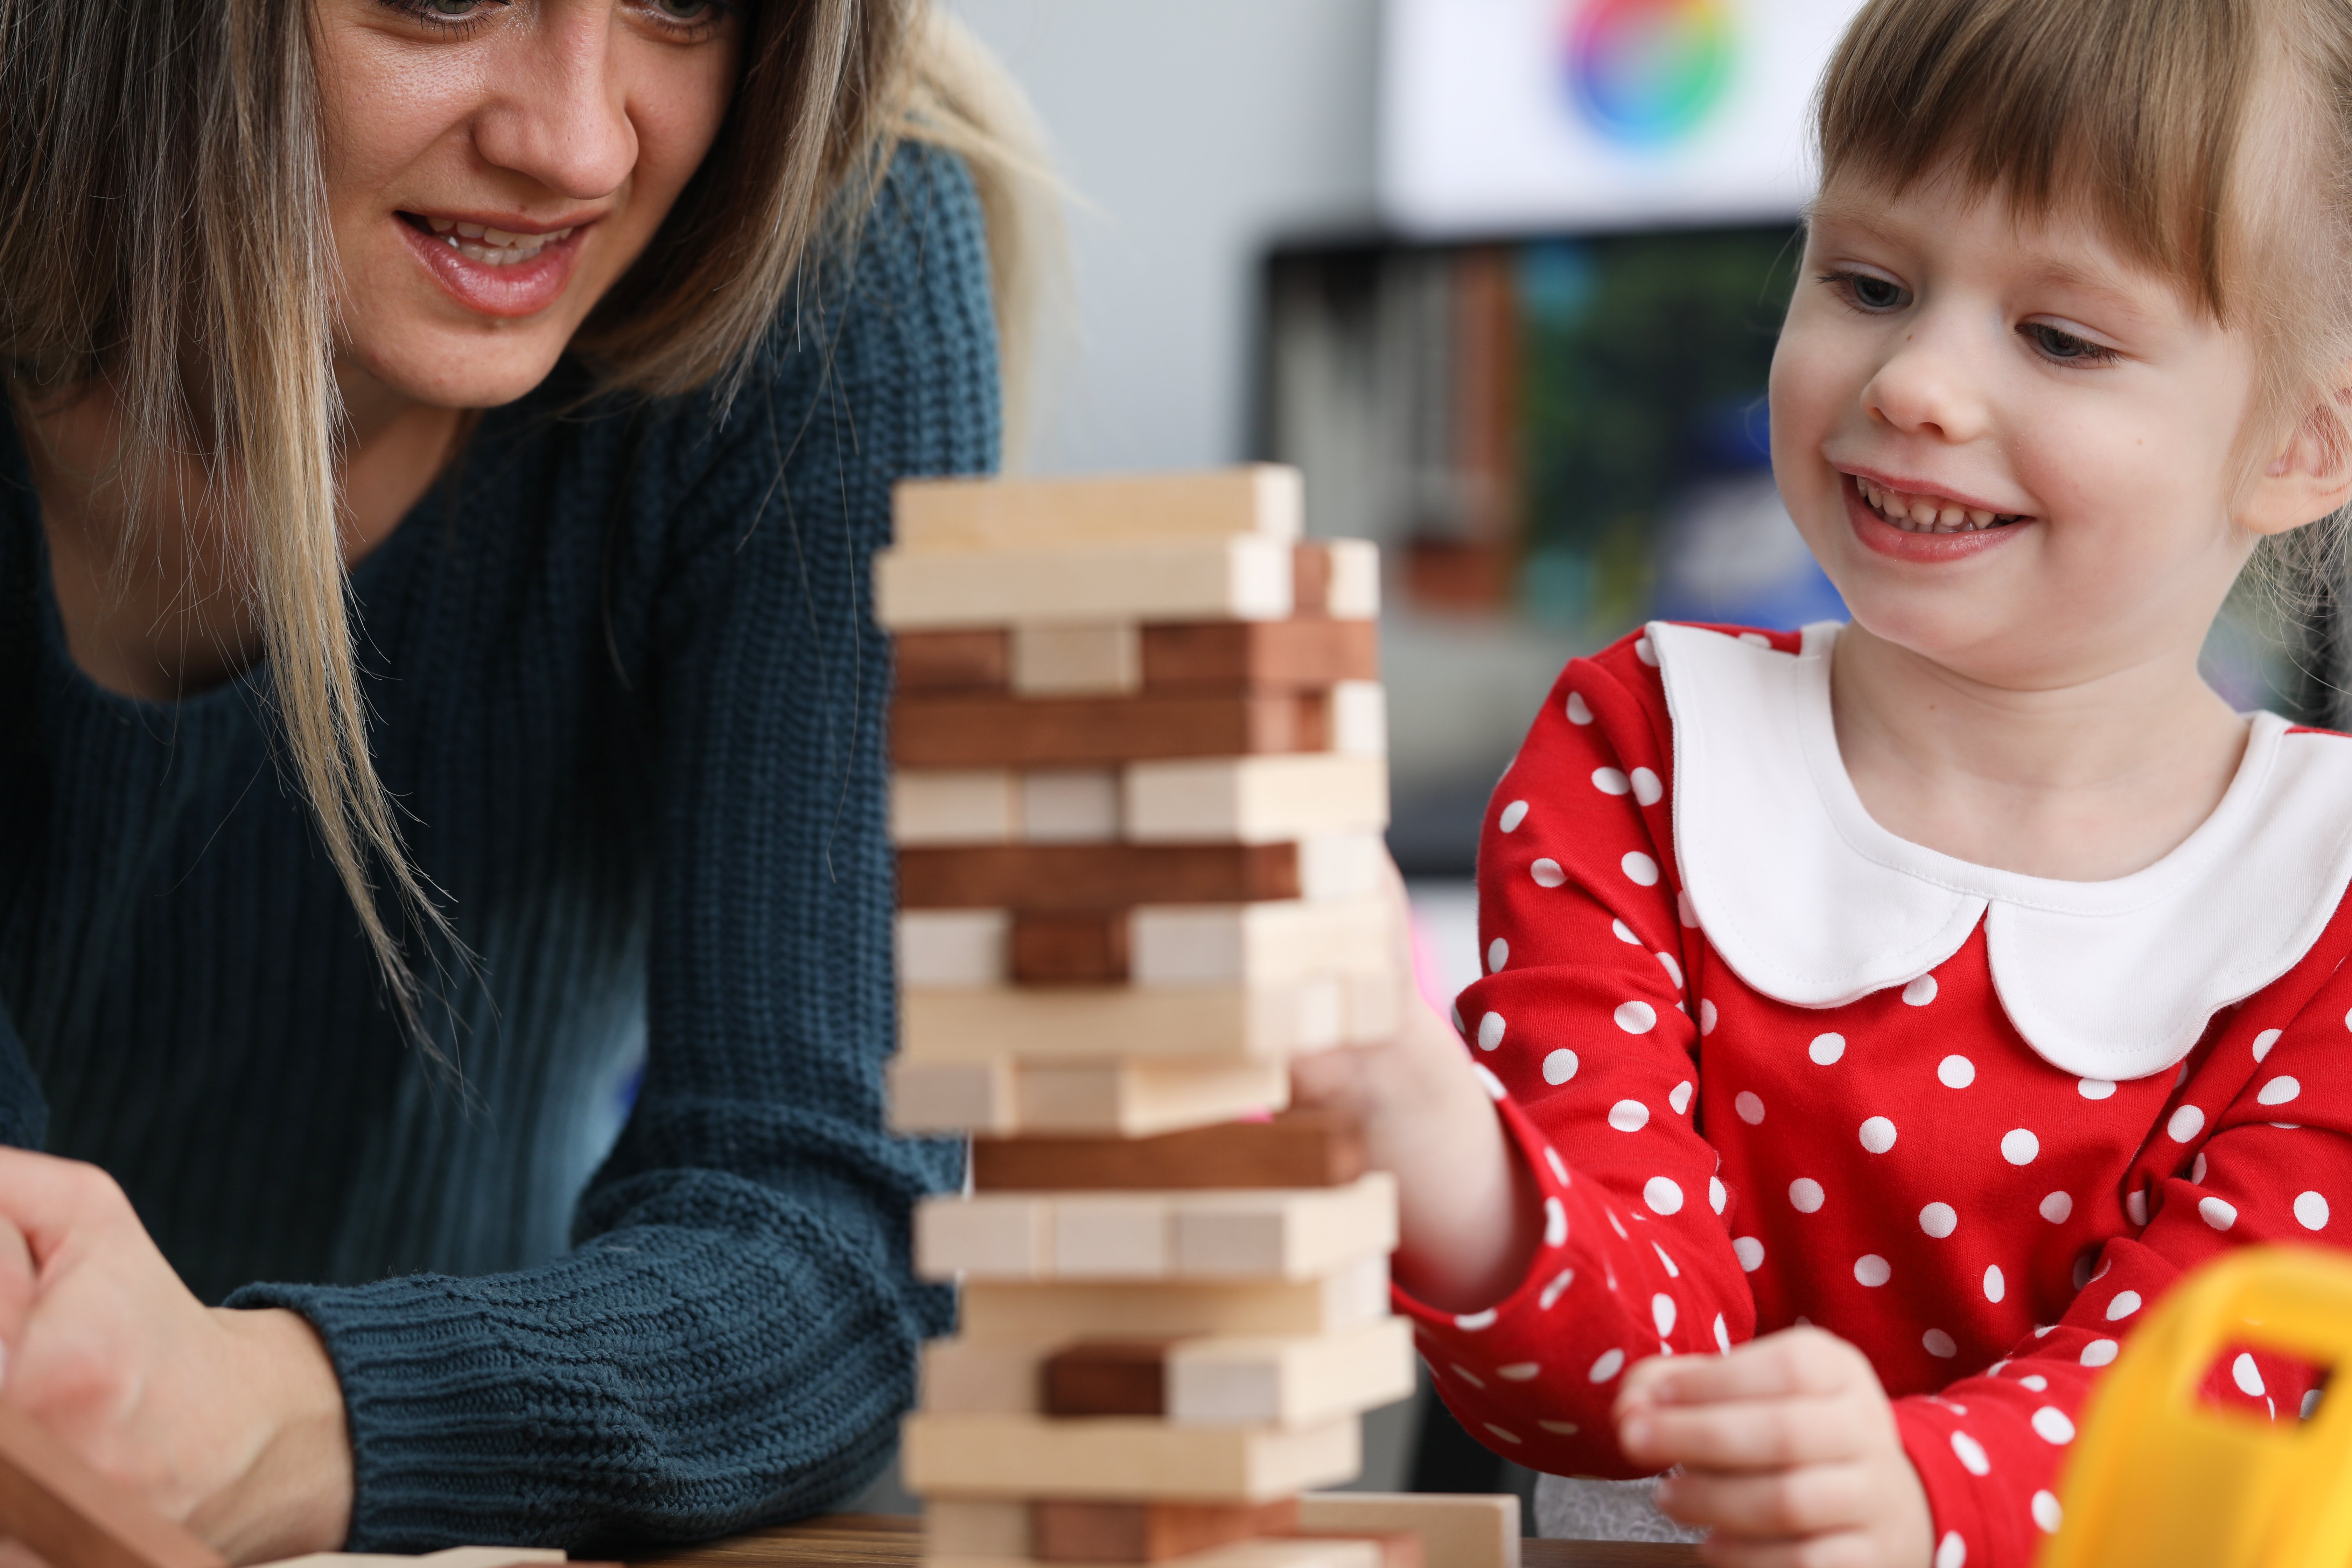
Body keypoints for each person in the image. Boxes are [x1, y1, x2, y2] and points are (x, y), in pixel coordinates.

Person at [1293, 0, 2352, 1563]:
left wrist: (1914, 1494)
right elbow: (1604, 1370)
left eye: (2061, 336)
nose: (1917, 381)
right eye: (1867, 282)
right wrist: (1424, 1122)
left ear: (2301, 450)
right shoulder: (1640, 742)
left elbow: (2220, 1381)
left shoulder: (2324, 887)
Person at [0, 0, 1045, 1558]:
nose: (574, 145)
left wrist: (285, 1414)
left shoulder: (831, 249)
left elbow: (833, 1239)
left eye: (684, 5)